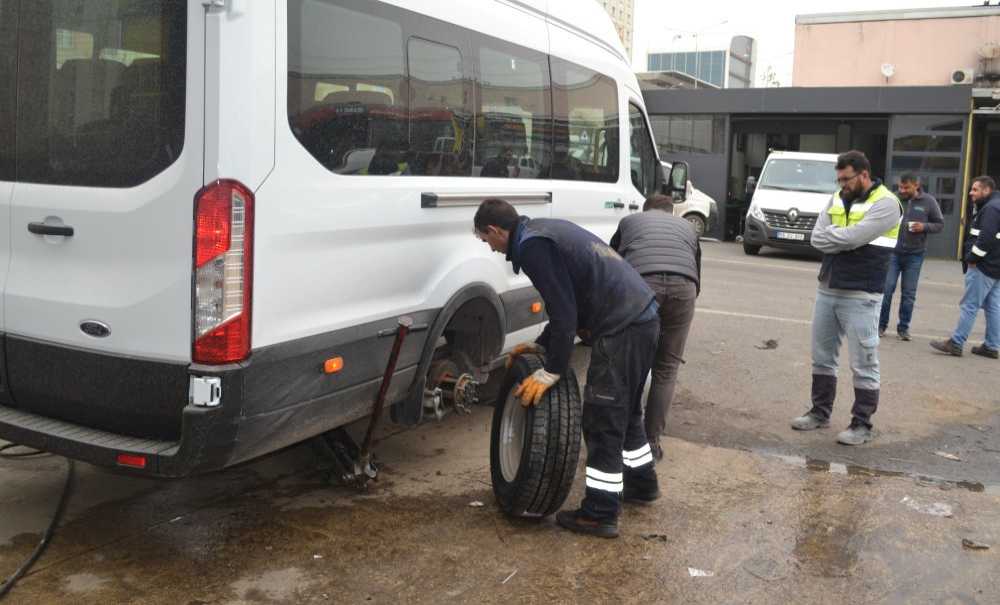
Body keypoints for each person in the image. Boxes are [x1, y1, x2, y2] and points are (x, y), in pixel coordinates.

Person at [473, 198, 660, 539]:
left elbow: (564, 312)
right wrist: (542, 345)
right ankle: (642, 484)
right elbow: (571, 301)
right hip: (644, 318)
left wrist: (552, 369)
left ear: (496, 230)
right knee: (628, 411)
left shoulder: (532, 247)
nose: (492, 249)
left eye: (488, 241)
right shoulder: (544, 231)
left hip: (621, 327)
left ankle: (600, 513)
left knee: (603, 418)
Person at [790, 150, 902, 446]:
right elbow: (816, 237)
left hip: (863, 292)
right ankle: (819, 412)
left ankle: (862, 424)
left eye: (846, 178)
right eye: (838, 179)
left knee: (864, 361)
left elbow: (854, 238)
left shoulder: (887, 204)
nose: (841, 184)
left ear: (864, 174)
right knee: (822, 356)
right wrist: (844, 237)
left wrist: (839, 237)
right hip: (828, 287)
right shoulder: (837, 197)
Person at [609, 193, 700, 461]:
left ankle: (623, 439)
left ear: (645, 210)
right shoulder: (688, 228)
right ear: (671, 212)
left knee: (629, 363)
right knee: (666, 368)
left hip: (641, 284)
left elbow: (612, 264)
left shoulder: (629, 221)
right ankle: (651, 443)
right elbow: (697, 272)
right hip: (684, 289)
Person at [930, 176, 1000, 359]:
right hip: (995, 266)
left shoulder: (991, 209)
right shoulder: (995, 205)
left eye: (975, 190)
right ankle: (992, 346)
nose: (971, 193)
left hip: (983, 266)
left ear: (987, 190)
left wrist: (972, 258)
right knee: (993, 306)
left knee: (970, 305)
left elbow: (987, 238)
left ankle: (956, 342)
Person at [879, 173, 944, 341]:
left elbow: (939, 224)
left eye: (906, 187)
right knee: (886, 290)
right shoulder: (893, 199)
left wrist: (924, 226)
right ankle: (880, 325)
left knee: (908, 294)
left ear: (916, 185)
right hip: (893, 252)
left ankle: (903, 328)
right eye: (900, 186)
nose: (902, 190)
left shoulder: (929, 202)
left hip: (915, 255)